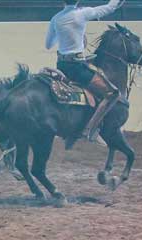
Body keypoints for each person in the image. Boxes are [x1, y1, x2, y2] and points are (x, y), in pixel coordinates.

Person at [45, 0, 125, 145]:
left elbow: (48, 45)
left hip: (61, 65)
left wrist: (62, 31)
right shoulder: (82, 13)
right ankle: (90, 130)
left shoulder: (55, 18)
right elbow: (110, 7)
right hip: (77, 67)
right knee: (112, 93)